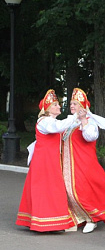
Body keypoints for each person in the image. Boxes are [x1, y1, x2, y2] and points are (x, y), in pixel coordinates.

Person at [61, 88, 105, 233]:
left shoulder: (90, 122)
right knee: (68, 190)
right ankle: (77, 218)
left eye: (75, 104)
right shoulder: (70, 121)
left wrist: (84, 120)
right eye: (71, 104)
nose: (72, 106)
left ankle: (92, 218)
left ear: (82, 106)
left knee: (81, 190)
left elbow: (90, 137)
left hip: (83, 163)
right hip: (69, 164)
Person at [16, 89, 77, 232]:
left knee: (52, 189)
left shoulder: (51, 121)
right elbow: (59, 127)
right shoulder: (44, 121)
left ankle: (52, 221)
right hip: (44, 162)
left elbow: (63, 128)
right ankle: (44, 221)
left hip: (50, 160)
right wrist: (74, 117)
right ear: (48, 108)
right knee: (45, 189)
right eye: (55, 105)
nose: (59, 107)